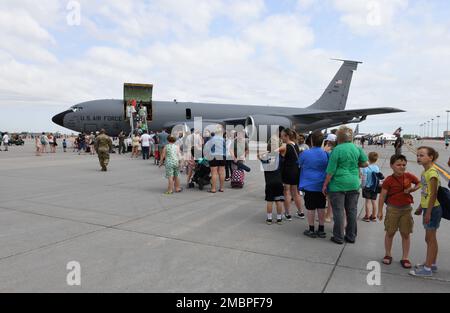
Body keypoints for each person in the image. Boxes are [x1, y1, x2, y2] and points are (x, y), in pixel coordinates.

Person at [322, 126, 369, 245]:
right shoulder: (357, 148)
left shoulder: (336, 150)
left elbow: (330, 171)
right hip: (353, 183)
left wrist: (325, 185)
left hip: (338, 185)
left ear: (339, 137)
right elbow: (365, 163)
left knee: (338, 212)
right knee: (352, 211)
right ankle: (351, 236)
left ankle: (338, 237)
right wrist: (355, 163)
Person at [377, 154, 420, 269]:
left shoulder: (408, 176)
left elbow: (419, 183)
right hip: (393, 209)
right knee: (390, 232)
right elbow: (382, 196)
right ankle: (388, 254)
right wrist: (380, 211)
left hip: (406, 209)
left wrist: (412, 189)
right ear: (392, 166)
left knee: (405, 234)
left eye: (404, 165)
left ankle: (405, 257)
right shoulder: (388, 180)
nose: (401, 167)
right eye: (398, 165)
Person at [410, 147, 442, 277]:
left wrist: (428, 212)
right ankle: (432, 263)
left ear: (431, 157)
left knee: (430, 239)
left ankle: (427, 269)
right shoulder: (425, 172)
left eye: (422, 155)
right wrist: (420, 207)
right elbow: (425, 193)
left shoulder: (432, 173)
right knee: (429, 238)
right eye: (418, 155)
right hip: (428, 207)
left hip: (433, 209)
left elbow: (434, 195)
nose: (418, 157)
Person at [299, 131, 329, 238]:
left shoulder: (305, 153)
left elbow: (299, 164)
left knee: (310, 208)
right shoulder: (326, 154)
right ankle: (321, 229)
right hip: (321, 185)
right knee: (321, 207)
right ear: (322, 142)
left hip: (309, 185)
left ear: (311, 141)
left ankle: (311, 229)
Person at [279, 128, 305, 220]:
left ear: (287, 136)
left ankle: (287, 214)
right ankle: (301, 212)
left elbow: (274, 152)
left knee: (287, 192)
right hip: (296, 171)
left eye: (282, 135)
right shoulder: (296, 145)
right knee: (296, 193)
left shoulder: (285, 146)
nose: (281, 137)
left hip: (287, 171)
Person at [259, 137, 285, 225]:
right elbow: (284, 147)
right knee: (279, 201)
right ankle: (279, 218)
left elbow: (259, 155)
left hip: (269, 182)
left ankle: (269, 219)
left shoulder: (266, 156)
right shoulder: (280, 156)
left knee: (270, 201)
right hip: (279, 181)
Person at [361, 152, 381, 222]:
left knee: (367, 202)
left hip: (367, 186)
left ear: (368, 158)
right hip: (374, 187)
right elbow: (378, 177)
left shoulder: (366, 168)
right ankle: (374, 216)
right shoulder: (377, 168)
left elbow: (364, 178)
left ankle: (367, 216)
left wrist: (362, 185)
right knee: (374, 201)